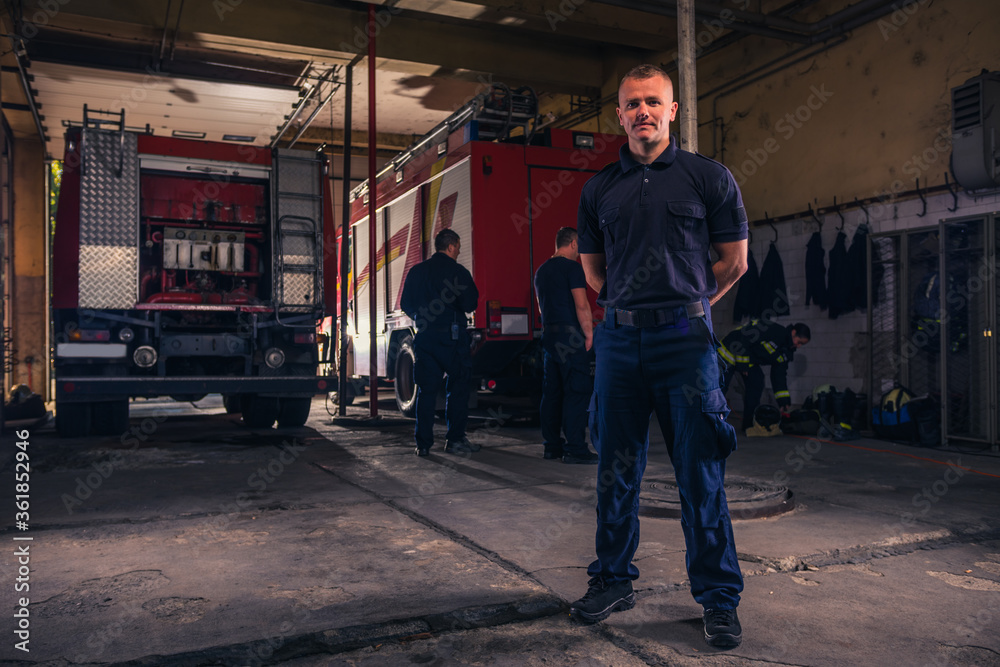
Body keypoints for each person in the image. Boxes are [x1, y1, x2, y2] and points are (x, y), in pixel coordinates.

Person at [572, 64, 749, 649]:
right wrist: (633, 311)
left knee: (700, 474)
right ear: (618, 115)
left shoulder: (708, 178)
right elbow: (595, 274)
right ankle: (612, 579)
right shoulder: (599, 190)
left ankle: (719, 599)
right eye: (631, 104)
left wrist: (689, 303)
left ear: (673, 110)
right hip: (621, 344)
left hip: (685, 344)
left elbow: (734, 261)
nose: (642, 111)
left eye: (653, 101)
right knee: (616, 471)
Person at [400, 229, 480, 457]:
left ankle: (423, 445)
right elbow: (470, 304)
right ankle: (454, 440)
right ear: (452, 246)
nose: (459, 251)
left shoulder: (417, 271)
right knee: (457, 390)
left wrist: (421, 316)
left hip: (425, 337)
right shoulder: (458, 272)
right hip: (453, 339)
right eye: (459, 247)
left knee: (426, 391)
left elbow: (406, 303)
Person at [533, 227, 599, 464]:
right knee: (577, 392)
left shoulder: (541, 271)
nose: (579, 251)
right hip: (571, 339)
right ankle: (575, 449)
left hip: (550, 337)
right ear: (572, 243)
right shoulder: (572, 268)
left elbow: (542, 307)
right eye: (578, 246)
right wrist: (589, 334)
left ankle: (552, 447)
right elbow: (581, 305)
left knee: (552, 393)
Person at [718, 320, 811, 432]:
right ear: (793, 332)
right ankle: (712, 422)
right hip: (729, 350)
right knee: (720, 388)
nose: (799, 346)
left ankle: (749, 425)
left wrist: (783, 401)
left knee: (756, 382)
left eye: (802, 344)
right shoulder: (775, 330)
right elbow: (745, 336)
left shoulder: (786, 351)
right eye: (799, 342)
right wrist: (743, 364)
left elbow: (779, 376)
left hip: (748, 360)